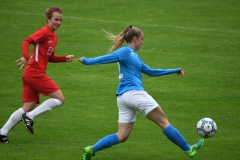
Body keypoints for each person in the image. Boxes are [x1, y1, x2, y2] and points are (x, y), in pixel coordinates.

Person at [77, 25, 204, 159]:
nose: (143, 42)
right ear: (135, 38)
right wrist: (87, 61)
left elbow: (151, 72)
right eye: (142, 39)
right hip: (134, 94)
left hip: (123, 97)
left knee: (122, 135)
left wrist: (175, 70)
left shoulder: (135, 57)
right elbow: (106, 58)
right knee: (164, 122)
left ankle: (91, 149)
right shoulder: (125, 52)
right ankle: (188, 149)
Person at [0, 6, 74, 143]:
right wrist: (25, 56)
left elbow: (49, 57)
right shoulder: (44, 32)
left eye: (61, 20)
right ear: (48, 19)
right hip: (34, 72)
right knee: (60, 98)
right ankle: (30, 117)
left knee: (28, 106)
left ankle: (2, 132)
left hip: (31, 73)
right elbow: (26, 41)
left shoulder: (54, 36)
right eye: (56, 20)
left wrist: (64, 58)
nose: (58, 22)